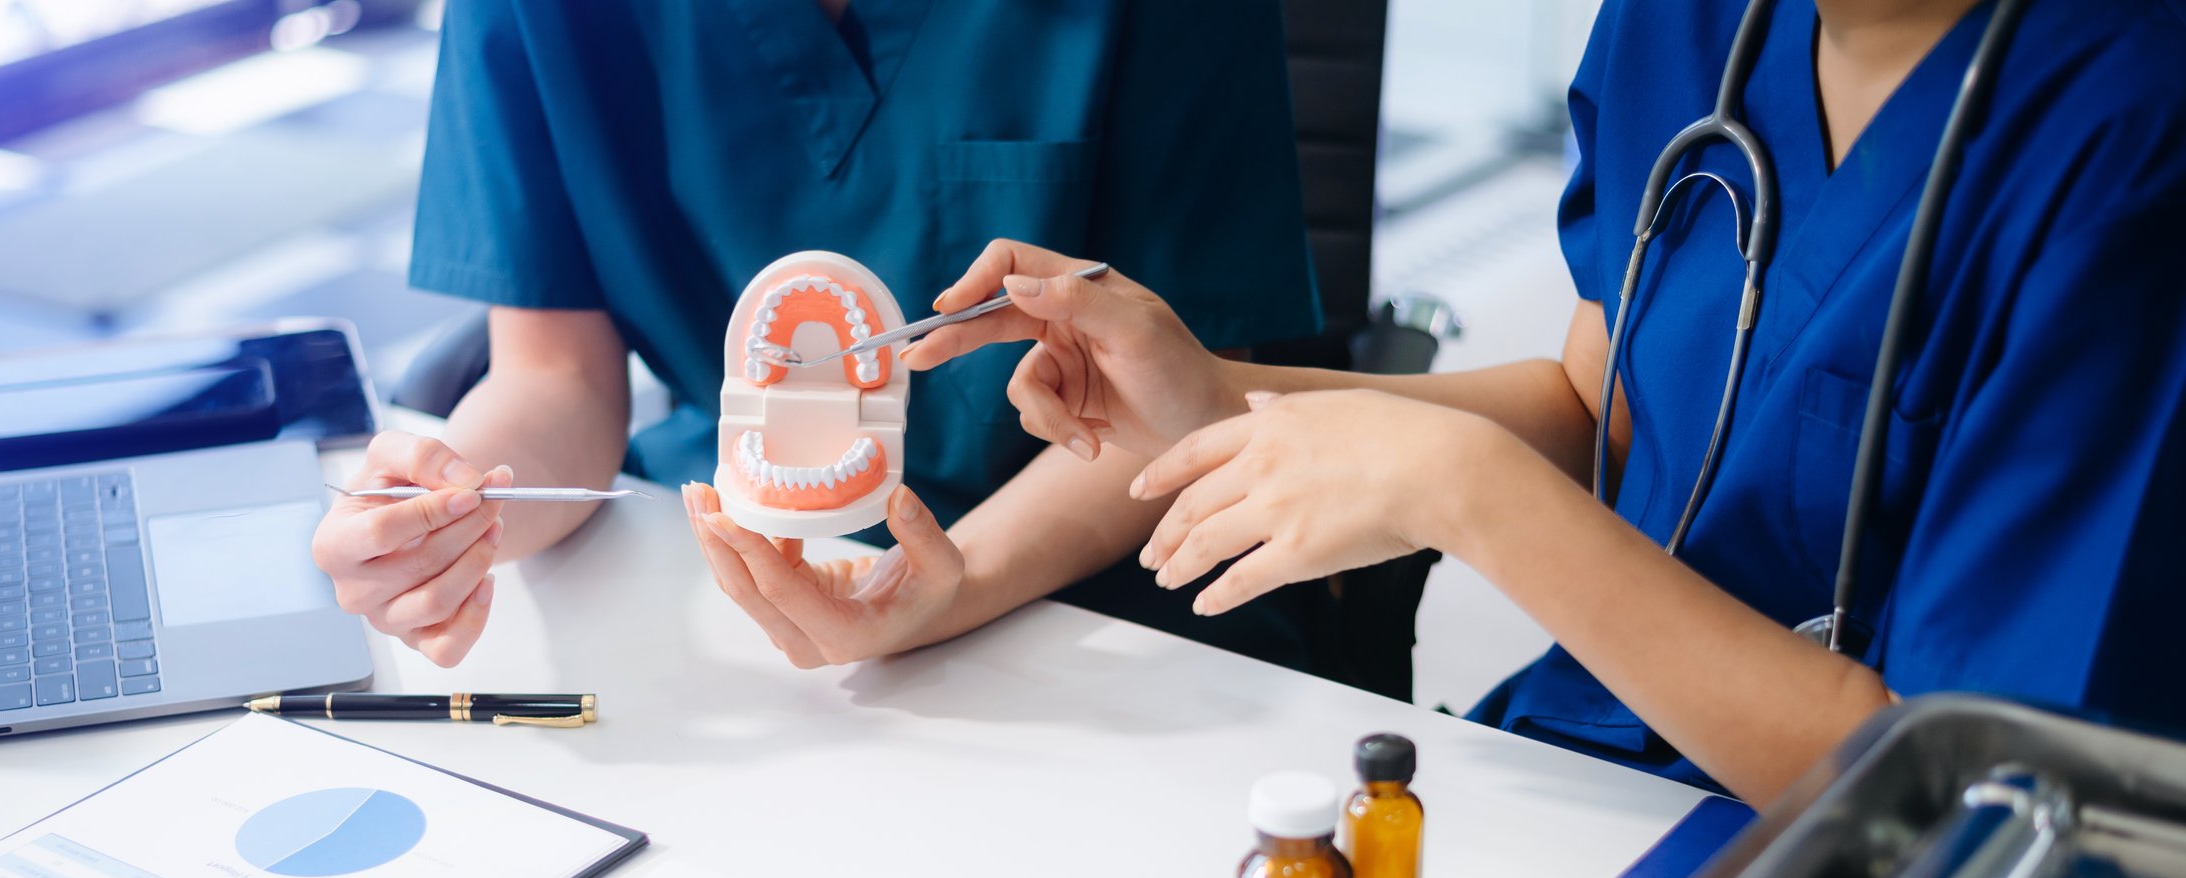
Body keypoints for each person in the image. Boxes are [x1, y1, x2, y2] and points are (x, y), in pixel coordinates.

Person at [863, 0, 2186, 806]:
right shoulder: (1692, 22)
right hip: (1581, 780)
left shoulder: (2131, 135)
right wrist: (1220, 399)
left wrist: (1463, 490)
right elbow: (1597, 405)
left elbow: (1961, 793)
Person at [312, 0, 1326, 671]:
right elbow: (557, 380)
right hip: (728, 560)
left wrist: (951, 582)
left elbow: (1186, 401)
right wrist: (452, 518)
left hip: (1111, 596)